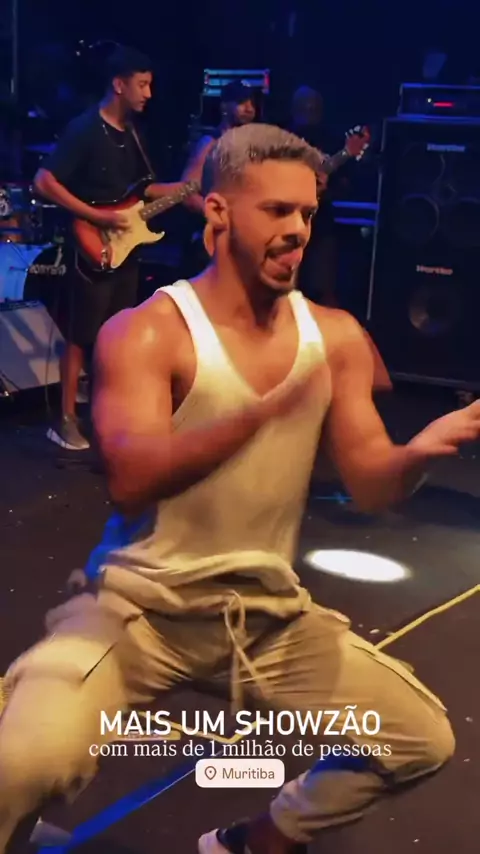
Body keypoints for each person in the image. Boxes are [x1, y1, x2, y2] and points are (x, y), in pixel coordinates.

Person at [6, 121, 480, 854]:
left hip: (266, 621)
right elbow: (132, 479)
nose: (298, 230)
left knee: (419, 737)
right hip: (140, 615)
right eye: (278, 210)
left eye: (308, 212)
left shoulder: (334, 336)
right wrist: (260, 412)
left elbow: (370, 484)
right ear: (219, 212)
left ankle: (256, 841)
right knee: (23, 760)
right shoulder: (147, 332)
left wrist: (419, 452)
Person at [34, 45, 189, 451]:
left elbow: (142, 190)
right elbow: (44, 181)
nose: (149, 94)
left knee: (116, 332)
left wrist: (187, 189)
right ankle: (65, 419)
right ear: (119, 85)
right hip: (91, 241)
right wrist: (95, 217)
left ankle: (107, 415)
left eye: (151, 85)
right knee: (80, 333)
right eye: (142, 84)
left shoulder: (134, 134)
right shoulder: (85, 129)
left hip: (126, 247)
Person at [178, 81, 257, 277]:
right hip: (209, 244)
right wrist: (219, 217)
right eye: (241, 102)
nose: (249, 108)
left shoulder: (251, 147)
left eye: (252, 102)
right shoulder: (209, 143)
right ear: (224, 107)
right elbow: (186, 193)